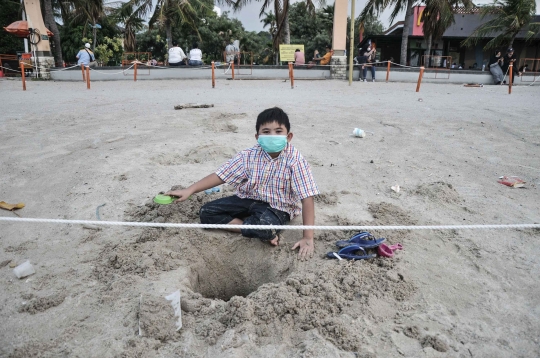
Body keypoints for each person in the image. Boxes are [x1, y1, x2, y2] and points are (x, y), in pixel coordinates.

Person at [165, 107, 319, 261]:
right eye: (266, 132)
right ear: (257, 137)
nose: (272, 136)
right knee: (207, 212)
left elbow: (307, 198)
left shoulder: (296, 161)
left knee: (265, 227)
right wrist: (190, 190)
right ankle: (254, 229)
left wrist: (308, 237)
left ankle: (262, 231)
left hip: (278, 207)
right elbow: (222, 175)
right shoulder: (248, 155)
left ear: (289, 136)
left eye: (278, 132)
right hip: (246, 199)